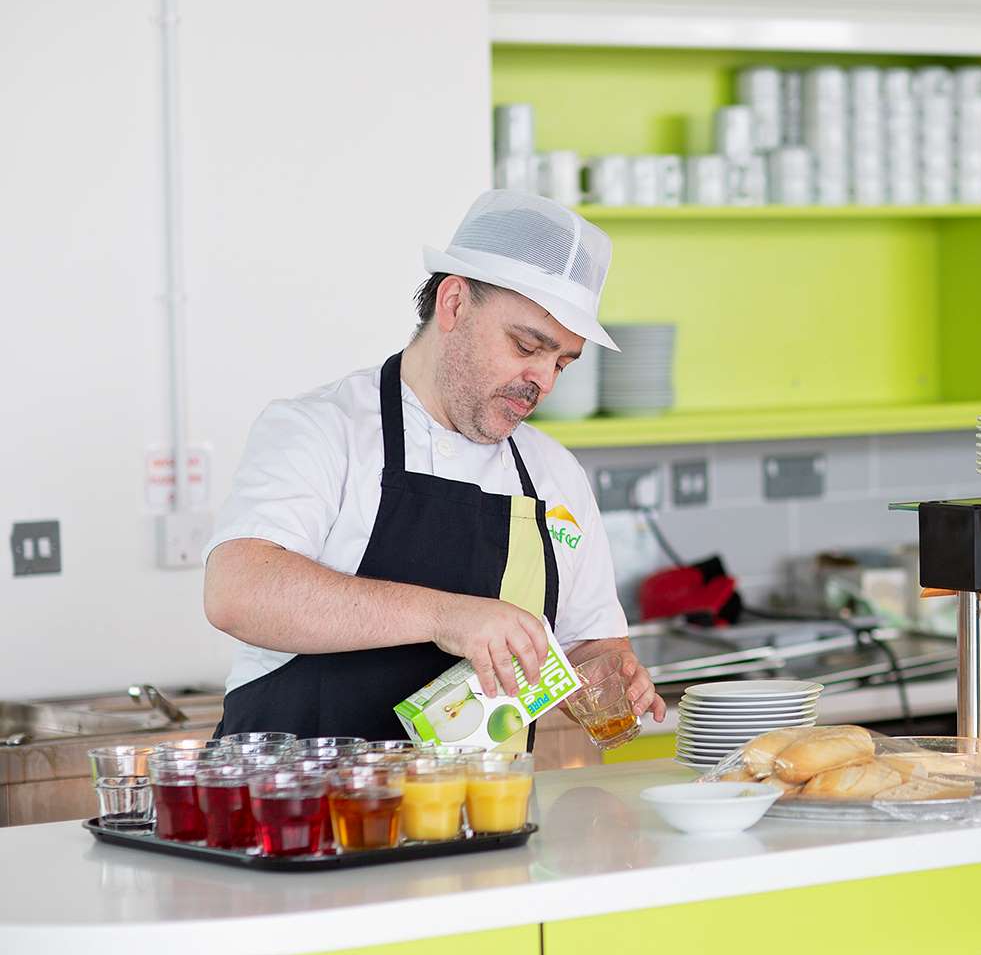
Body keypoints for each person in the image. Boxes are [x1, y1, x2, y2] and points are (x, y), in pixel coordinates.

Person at [204, 190, 667, 740]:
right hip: (305, 812)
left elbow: (588, 642)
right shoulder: (323, 429)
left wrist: (607, 674)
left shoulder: (554, 473)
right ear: (453, 304)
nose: (542, 380)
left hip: (477, 816)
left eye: (562, 362)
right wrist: (447, 616)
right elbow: (238, 592)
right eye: (526, 346)